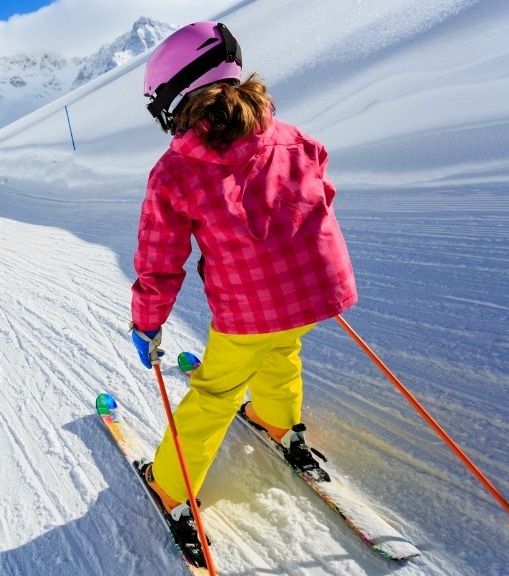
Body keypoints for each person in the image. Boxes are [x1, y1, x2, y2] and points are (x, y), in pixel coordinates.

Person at [128, 22, 357, 522]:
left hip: (249, 311)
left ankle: (170, 486)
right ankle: (279, 422)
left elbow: (159, 260)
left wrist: (147, 321)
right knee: (283, 345)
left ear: (177, 97)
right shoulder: (294, 138)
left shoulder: (176, 170)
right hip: (319, 293)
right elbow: (322, 198)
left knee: (215, 392)